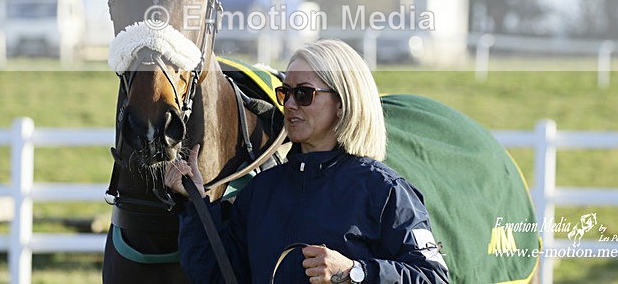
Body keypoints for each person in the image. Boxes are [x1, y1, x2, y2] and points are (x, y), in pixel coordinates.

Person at [166, 39, 449, 283]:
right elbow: (215, 276)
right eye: (285, 93)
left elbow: (432, 277)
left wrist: (354, 272)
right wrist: (196, 203)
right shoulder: (261, 191)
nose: (290, 104)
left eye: (304, 94)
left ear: (343, 103)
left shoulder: (385, 190)